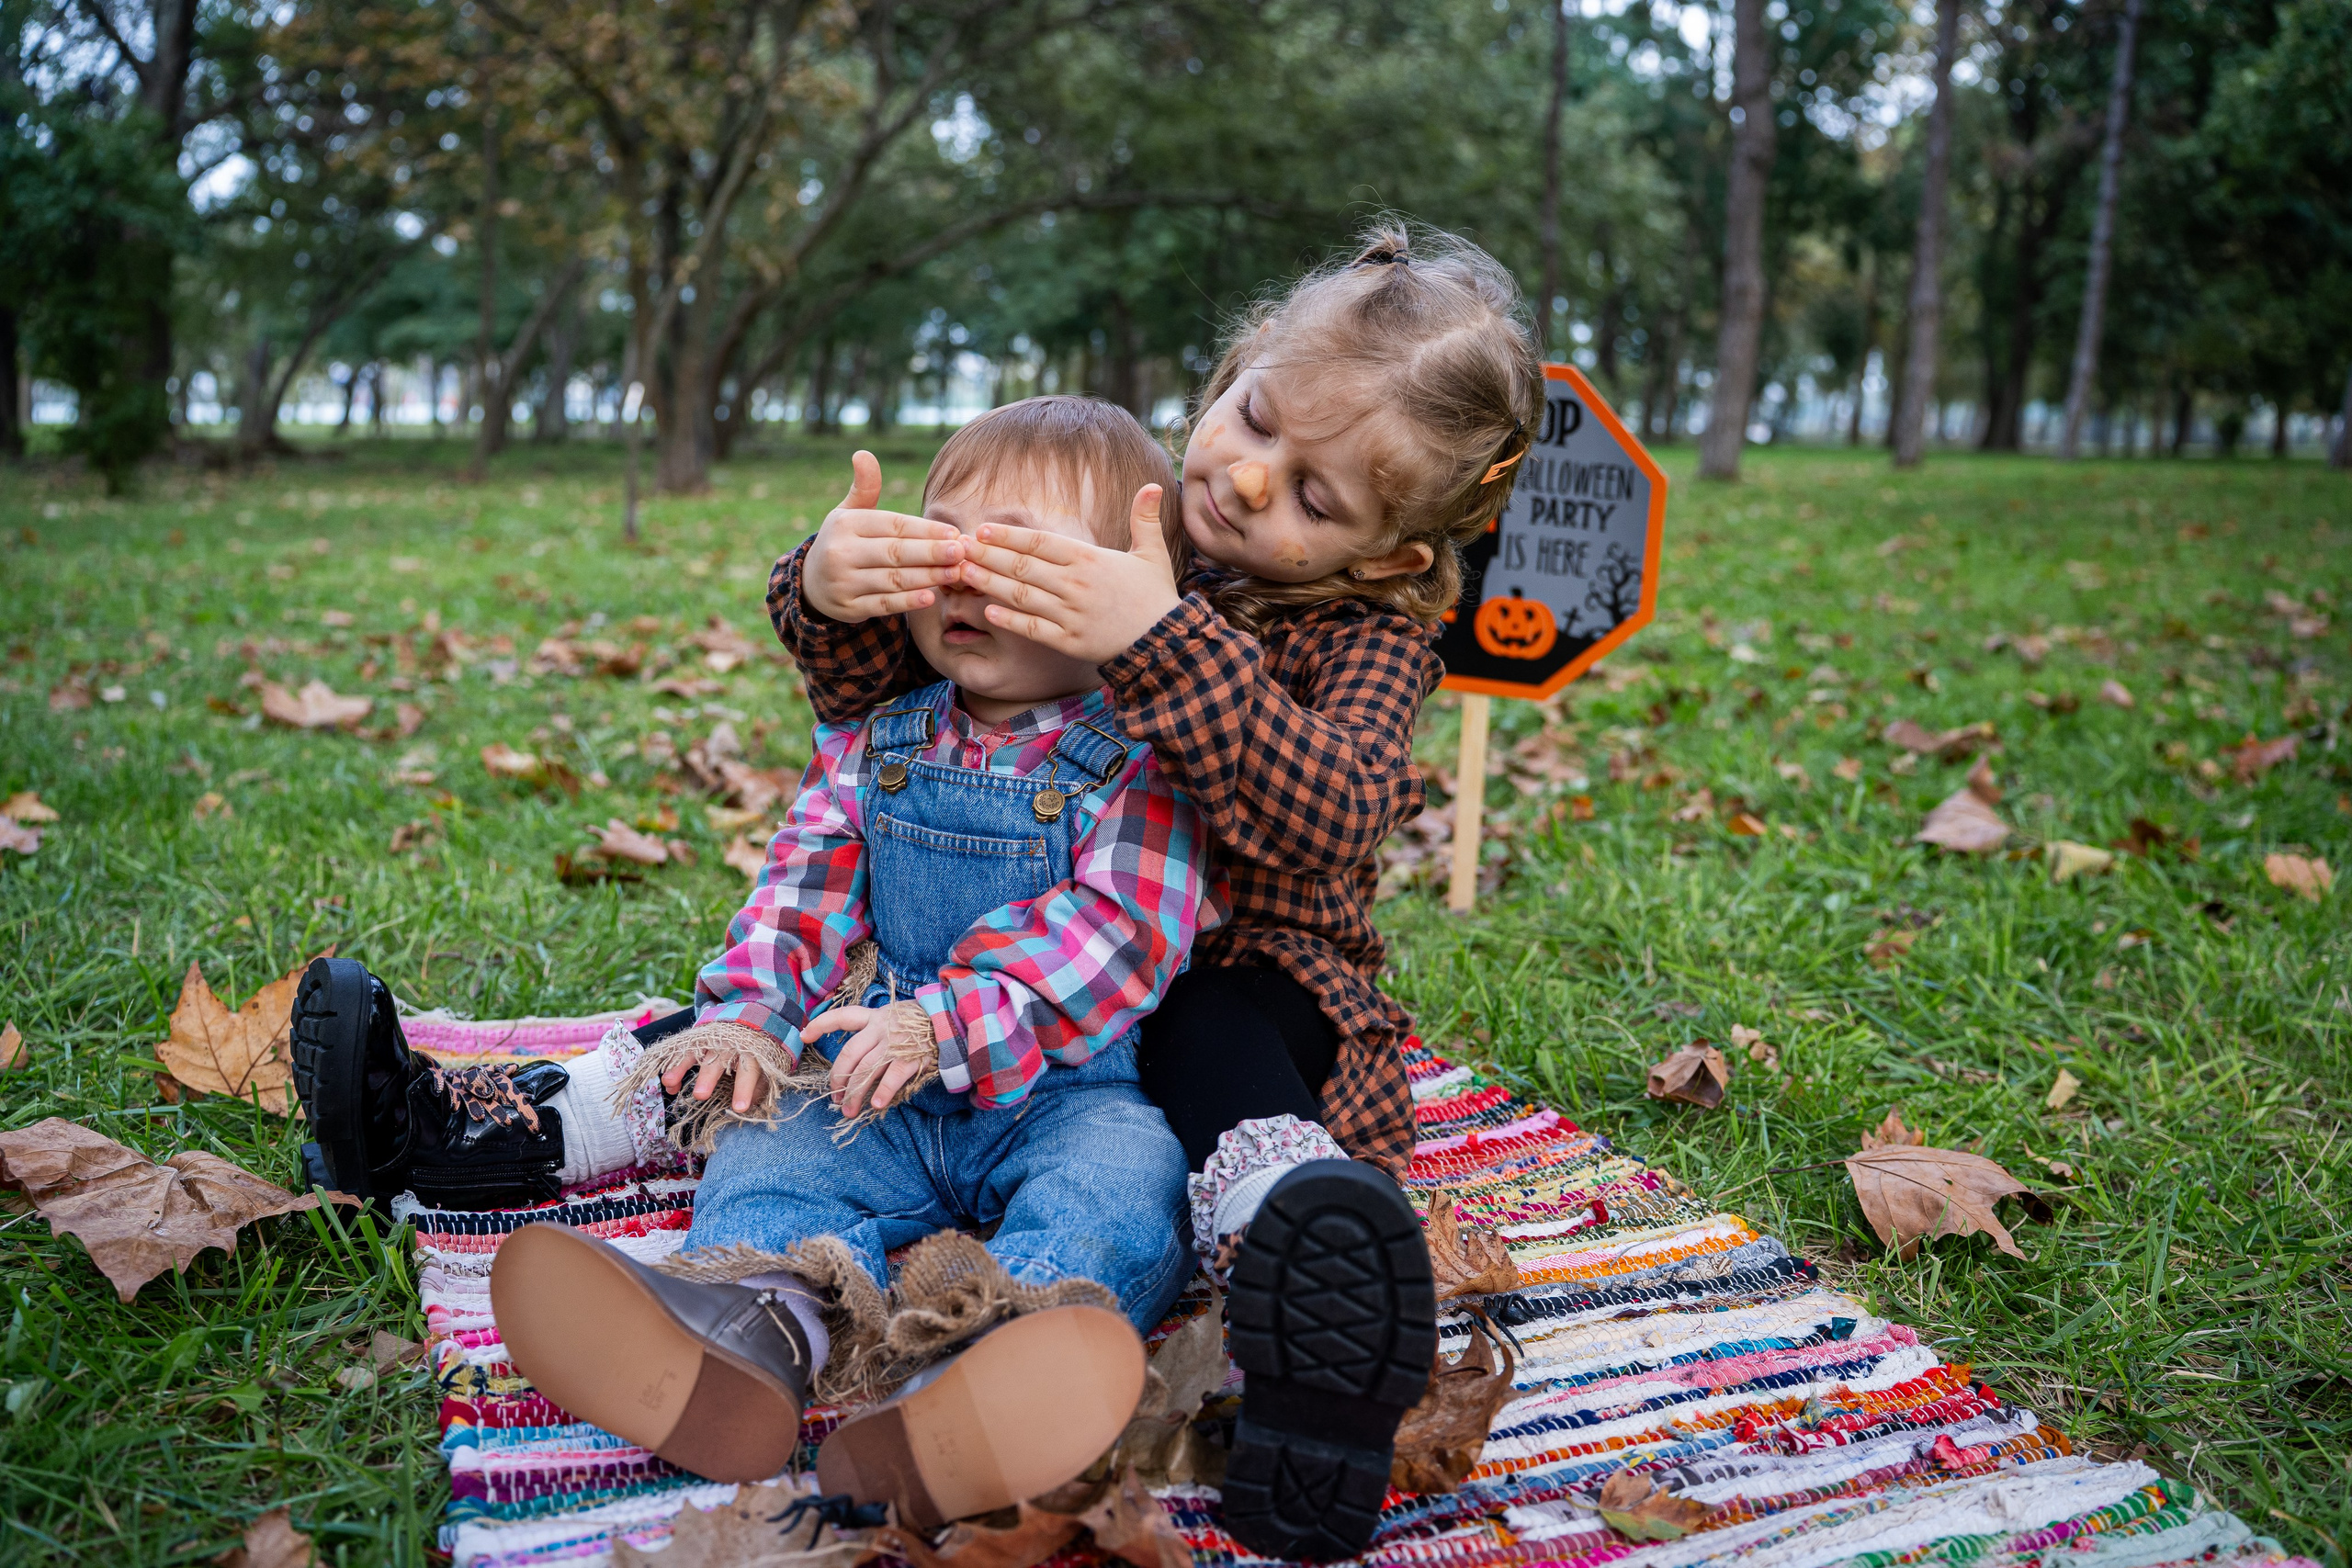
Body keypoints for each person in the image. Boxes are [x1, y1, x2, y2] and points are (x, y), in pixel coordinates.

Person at [295, 398, 1230, 1529]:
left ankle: (990, 1367)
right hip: (874, 1078)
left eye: (1019, 555)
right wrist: (747, 1017)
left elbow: (1123, 933)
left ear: (1124, 585)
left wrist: (947, 1024)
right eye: (939, 546)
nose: (962, 582)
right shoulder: (881, 734)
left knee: (1127, 1191)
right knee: (771, 1150)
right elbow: (803, 889)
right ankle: (747, 1329)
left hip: (1066, 1090)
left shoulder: (1147, 757)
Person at [765, 220, 1545, 1560]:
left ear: (1395, 557)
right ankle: (566, 1148)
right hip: (1002, 973)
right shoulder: (1110, 513)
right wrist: (832, 592)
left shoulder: (1362, 637)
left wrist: (1158, 636)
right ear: (1239, 364)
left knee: (1212, 1047)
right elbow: (898, 704)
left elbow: (1336, 809)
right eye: (1254, 420)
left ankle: (1302, 1286)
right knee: (788, 1063)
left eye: (1318, 497)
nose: (1248, 485)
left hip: (1229, 976)